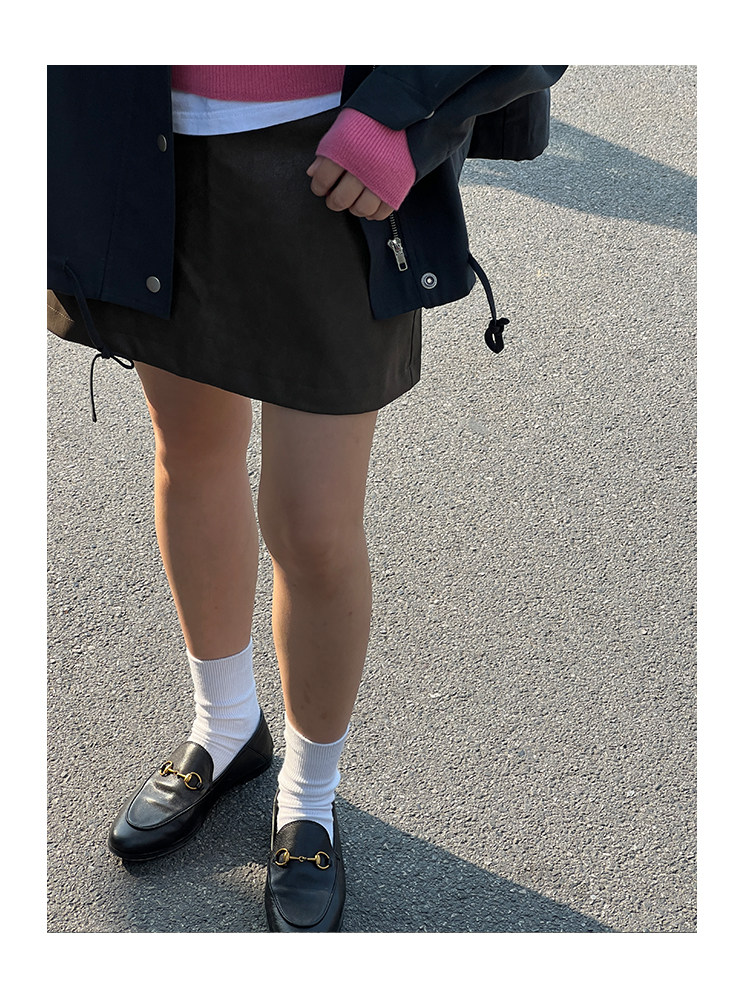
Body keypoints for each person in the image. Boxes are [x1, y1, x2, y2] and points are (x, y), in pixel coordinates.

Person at [47, 64, 567, 933]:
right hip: (149, 138)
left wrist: (401, 117)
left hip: (337, 147)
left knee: (313, 524)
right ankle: (225, 727)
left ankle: (309, 795)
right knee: (189, 452)